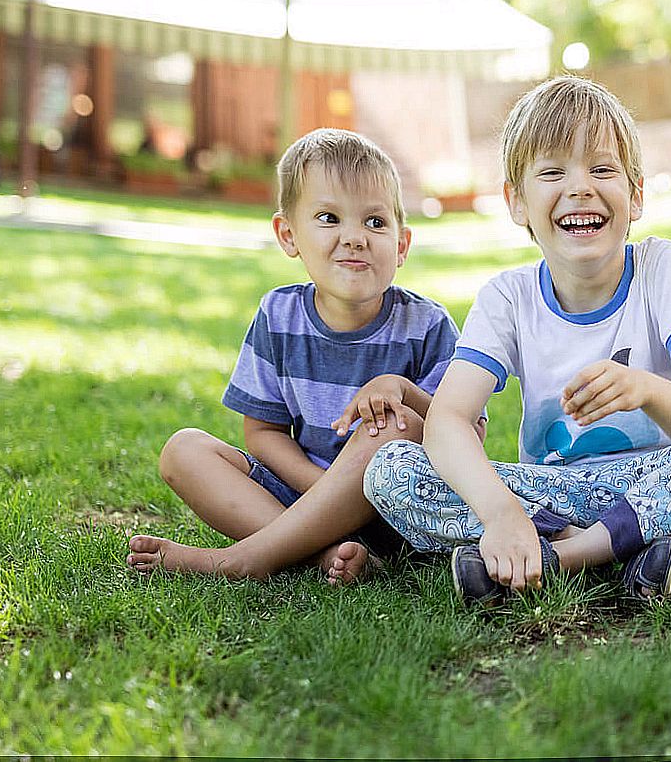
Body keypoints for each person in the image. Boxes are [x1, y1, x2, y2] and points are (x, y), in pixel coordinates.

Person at [366, 75, 671, 603]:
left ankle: (561, 557)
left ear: (635, 195)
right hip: (550, 494)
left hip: (665, 479)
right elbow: (448, 419)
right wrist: (502, 511)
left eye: (602, 169)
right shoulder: (508, 298)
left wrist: (647, 391)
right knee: (390, 471)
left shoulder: (664, 268)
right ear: (516, 202)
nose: (580, 187)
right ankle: (628, 548)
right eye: (552, 172)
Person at [125, 128, 467, 585]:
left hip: (392, 505)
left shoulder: (426, 324)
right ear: (289, 235)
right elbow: (263, 432)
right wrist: (317, 490)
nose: (355, 238)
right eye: (329, 218)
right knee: (183, 449)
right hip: (298, 491)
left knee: (392, 426)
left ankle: (248, 558)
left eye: (375, 222)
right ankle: (321, 552)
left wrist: (403, 395)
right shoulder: (279, 315)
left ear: (402, 245)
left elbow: (464, 432)